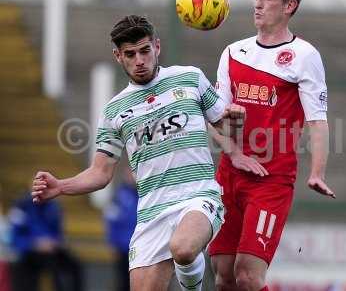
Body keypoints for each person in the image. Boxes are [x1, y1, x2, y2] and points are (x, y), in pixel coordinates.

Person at [32, 15, 245, 291]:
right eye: (130, 54)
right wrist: (61, 186)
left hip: (198, 195)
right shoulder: (114, 110)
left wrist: (236, 120)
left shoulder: (190, 78)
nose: (139, 60)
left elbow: (225, 127)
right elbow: (100, 172)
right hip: (151, 214)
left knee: (183, 248)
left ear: (156, 46)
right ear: (118, 56)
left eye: (144, 51)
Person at [208, 0, 336, 290]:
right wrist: (235, 148)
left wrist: (317, 173)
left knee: (248, 275)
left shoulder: (304, 56)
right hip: (229, 174)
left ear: (290, 6)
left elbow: (317, 120)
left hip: (270, 180)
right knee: (224, 274)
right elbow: (214, 121)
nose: (258, 3)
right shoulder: (233, 52)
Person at [8, 195, 83, 291]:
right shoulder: (21, 206)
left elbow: (58, 233)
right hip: (28, 251)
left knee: (73, 264)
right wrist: (34, 243)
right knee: (22, 266)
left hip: (51, 251)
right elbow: (15, 237)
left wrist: (55, 242)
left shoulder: (53, 206)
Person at [104, 167, 138, 291]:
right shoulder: (119, 197)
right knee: (123, 282)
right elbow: (111, 220)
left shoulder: (146, 196)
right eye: (131, 173)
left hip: (142, 246)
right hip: (124, 248)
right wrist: (112, 242)